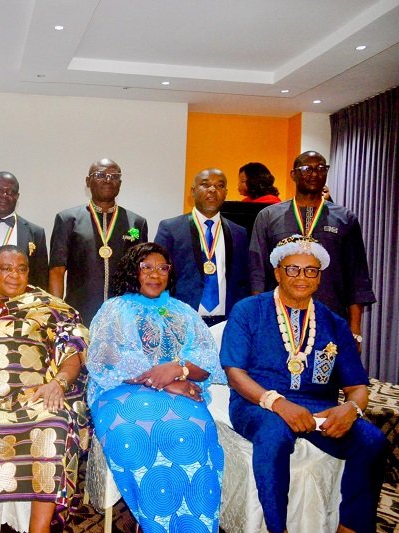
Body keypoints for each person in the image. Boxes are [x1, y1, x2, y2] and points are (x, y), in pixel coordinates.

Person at [220, 235, 388, 533]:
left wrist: (352, 409)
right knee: (274, 433)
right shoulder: (248, 310)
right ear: (277, 272)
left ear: (319, 277)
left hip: (318, 406)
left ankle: (350, 525)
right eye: (293, 269)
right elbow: (235, 373)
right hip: (257, 403)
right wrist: (277, 403)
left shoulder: (334, 323)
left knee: (372, 441)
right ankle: (277, 528)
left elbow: (357, 386)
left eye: (310, 270)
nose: (301, 277)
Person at [0, 245, 90, 533]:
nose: (14, 275)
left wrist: (58, 384)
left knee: (57, 424)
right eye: (6, 269)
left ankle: (40, 528)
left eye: (21, 269)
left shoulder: (50, 306)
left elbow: (72, 353)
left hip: (35, 397)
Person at [87, 242, 226, 533]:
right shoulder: (114, 308)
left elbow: (208, 362)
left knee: (192, 433)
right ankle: (155, 522)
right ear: (132, 272)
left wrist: (179, 370)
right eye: (146, 267)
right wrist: (169, 381)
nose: (155, 274)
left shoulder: (183, 311)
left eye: (162, 268)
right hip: (120, 393)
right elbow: (108, 360)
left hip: (181, 392)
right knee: (134, 435)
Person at [249, 151, 375, 345]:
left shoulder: (345, 219)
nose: (314, 174)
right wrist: (258, 320)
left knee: (329, 374)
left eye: (320, 168)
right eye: (307, 169)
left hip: (331, 315)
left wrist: (355, 330)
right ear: (293, 174)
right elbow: (257, 273)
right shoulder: (268, 216)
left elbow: (356, 277)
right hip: (278, 318)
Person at [49, 158, 148, 324]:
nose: (108, 179)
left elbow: (141, 273)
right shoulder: (67, 219)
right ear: (88, 182)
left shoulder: (136, 223)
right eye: (100, 175)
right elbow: (57, 271)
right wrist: (57, 314)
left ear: (120, 183)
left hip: (123, 317)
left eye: (114, 176)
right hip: (79, 313)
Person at [155, 168, 249, 326]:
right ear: (192, 191)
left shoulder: (239, 233)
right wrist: (164, 315)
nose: (212, 190)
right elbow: (158, 275)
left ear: (225, 192)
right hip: (181, 321)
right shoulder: (170, 228)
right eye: (205, 185)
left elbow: (243, 281)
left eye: (219, 186)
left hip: (225, 323)